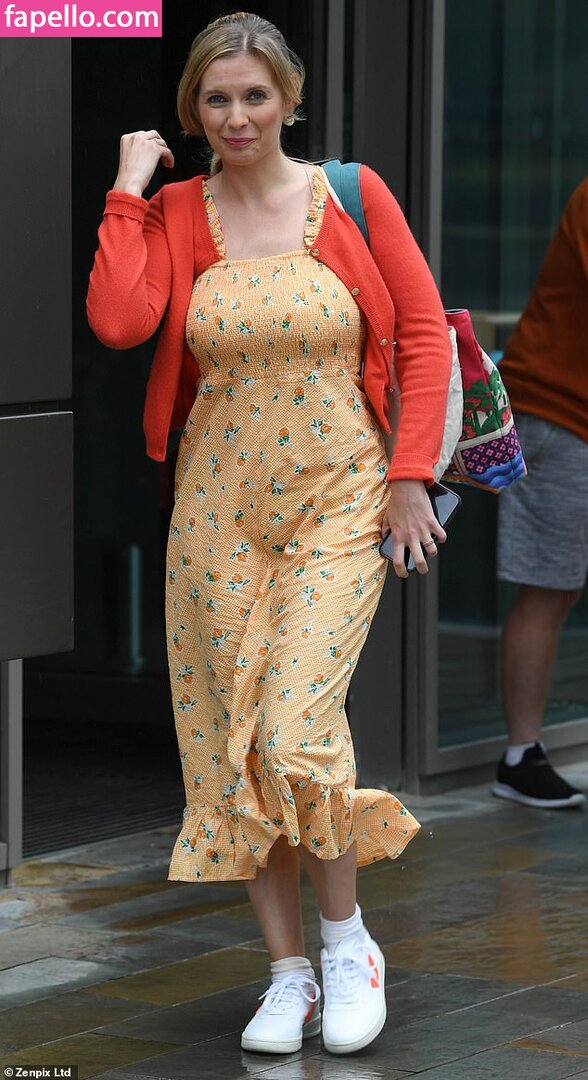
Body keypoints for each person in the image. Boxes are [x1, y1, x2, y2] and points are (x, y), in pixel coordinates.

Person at [87, 11, 452, 1057]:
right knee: (231, 746)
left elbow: (422, 340)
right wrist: (126, 189)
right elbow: (119, 321)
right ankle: (287, 973)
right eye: (216, 98)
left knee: (294, 728)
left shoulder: (352, 194)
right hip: (217, 514)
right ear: (192, 110)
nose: (237, 116)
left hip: (340, 497)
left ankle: (348, 946)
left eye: (255, 95)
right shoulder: (175, 212)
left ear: (290, 98)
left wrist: (410, 479)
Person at [493, 176, 588, 810]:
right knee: (551, 586)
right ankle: (520, 757)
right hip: (561, 415)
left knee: (555, 587)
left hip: (566, 414)